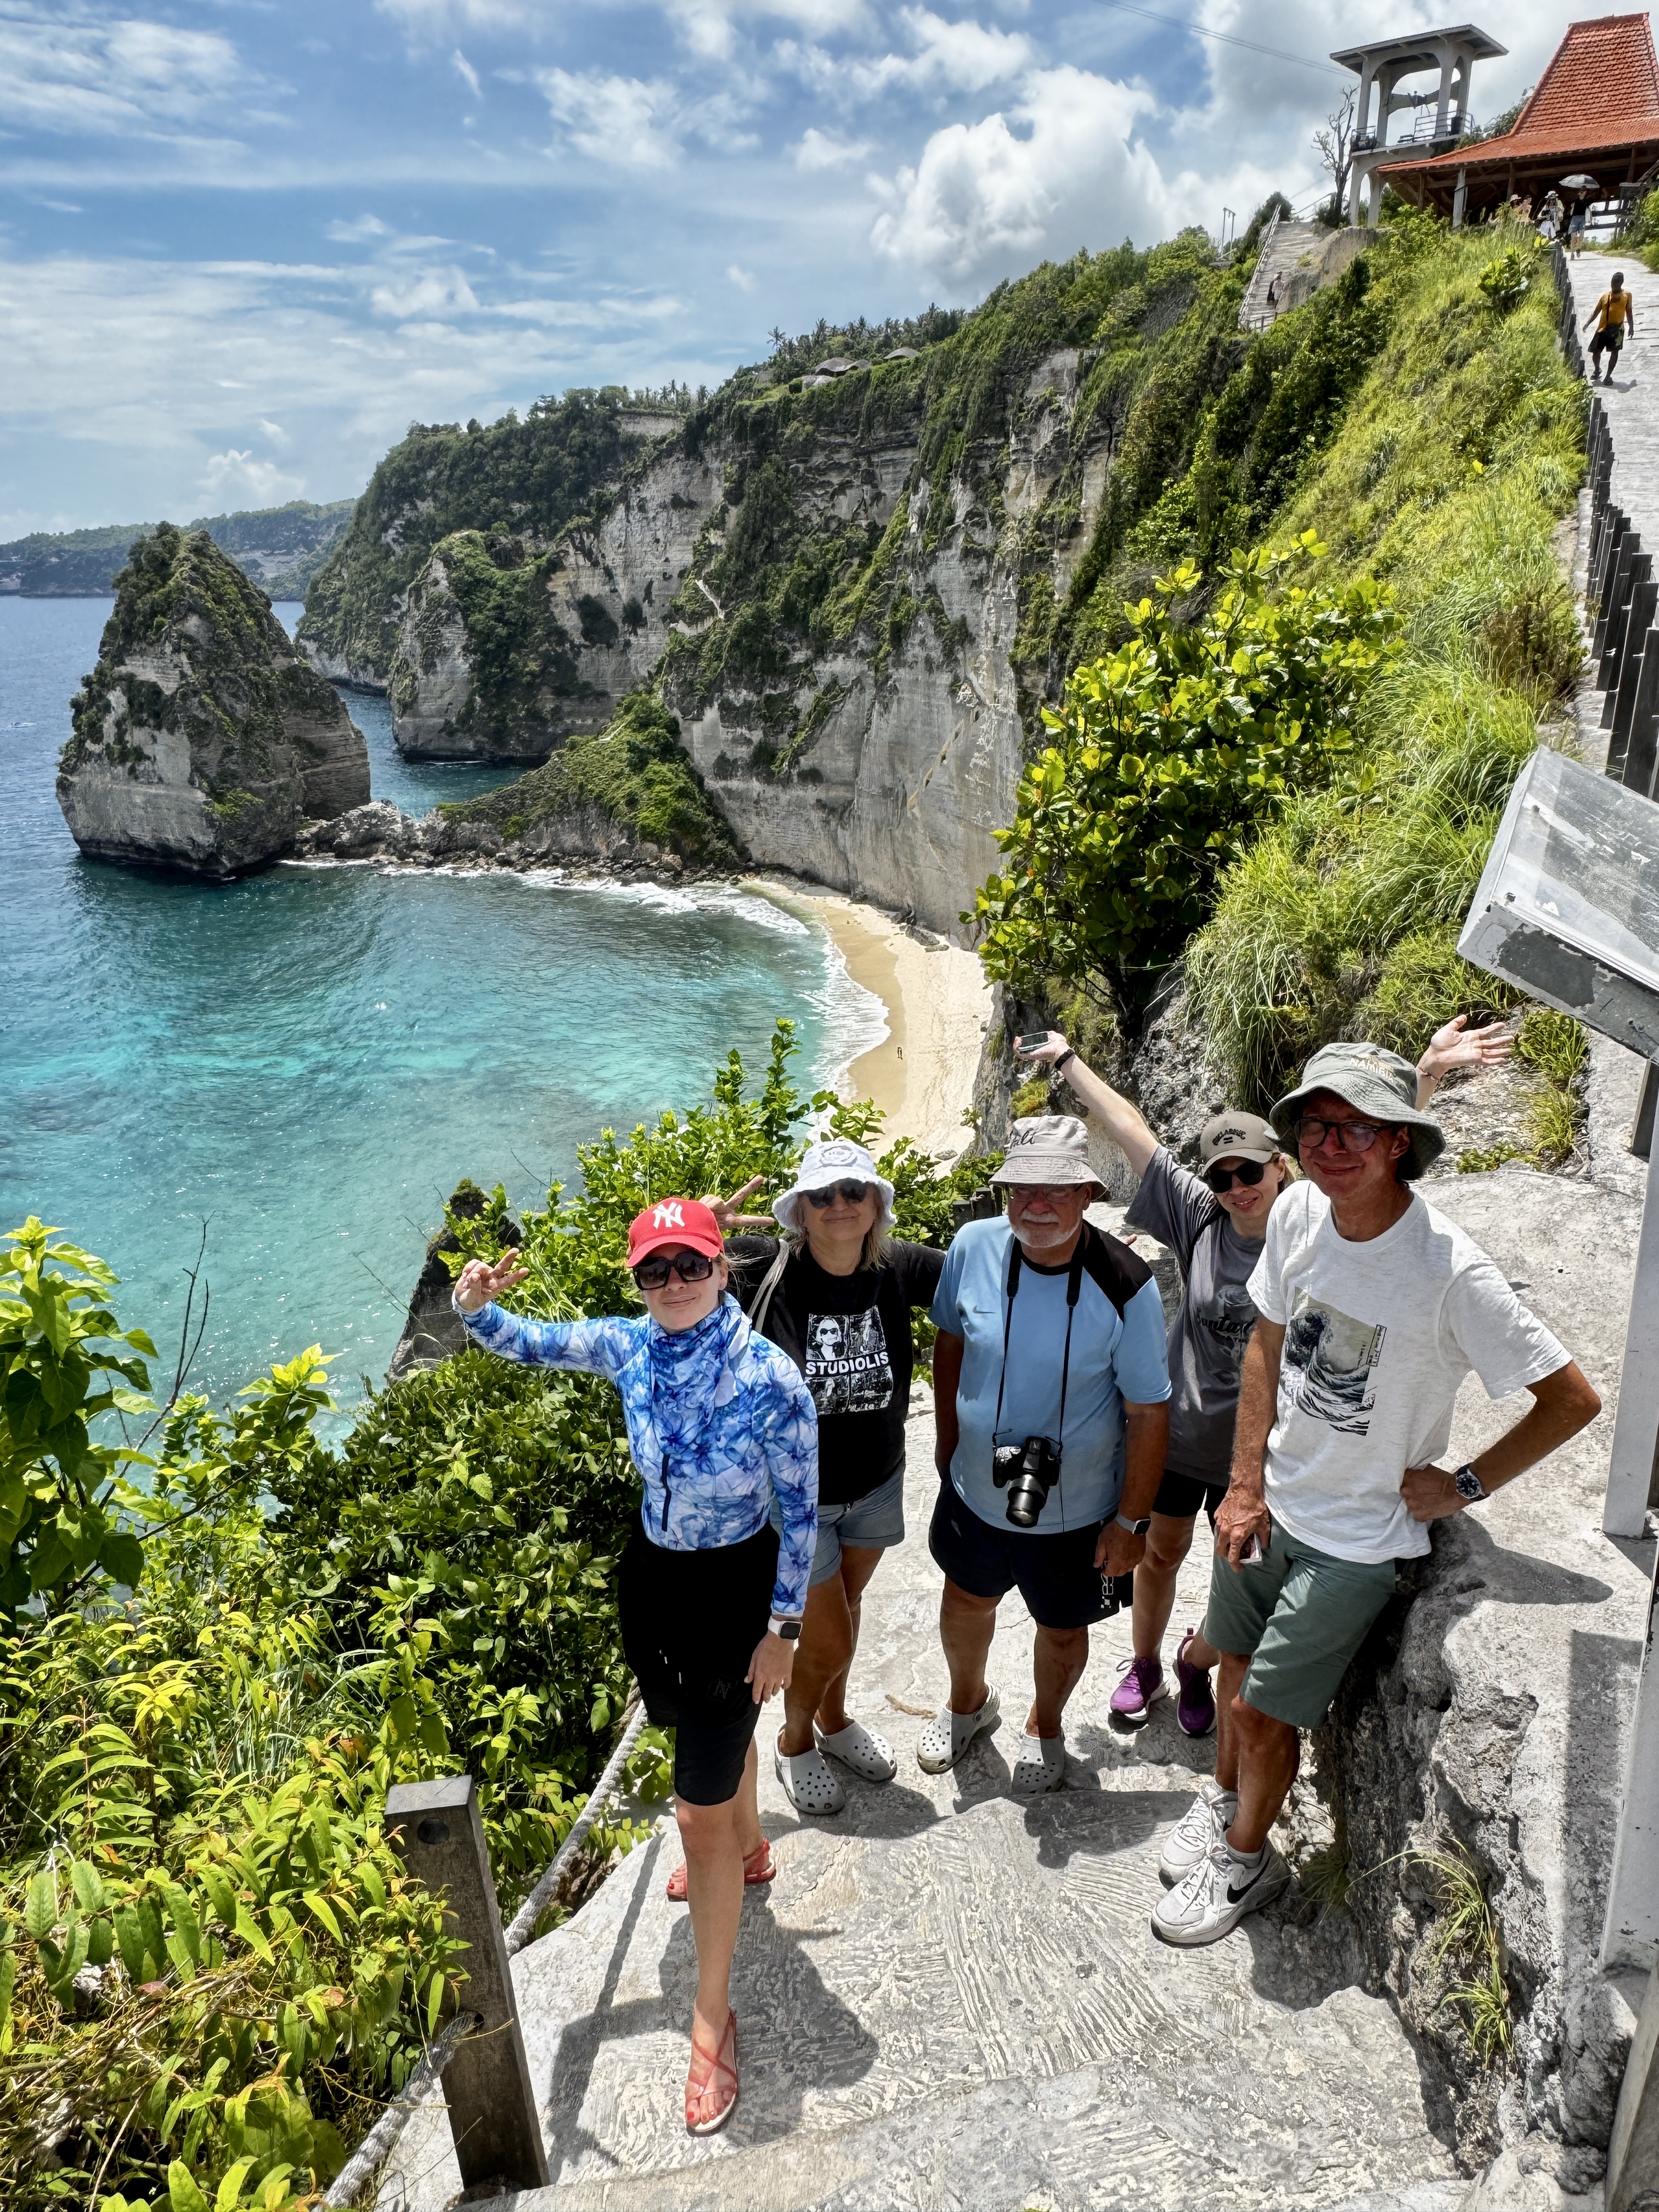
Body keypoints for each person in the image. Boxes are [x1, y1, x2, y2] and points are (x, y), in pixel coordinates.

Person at [1150, 1043, 1600, 1948]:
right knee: (1229, 1662)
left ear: (1399, 1141)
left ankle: (1247, 1858)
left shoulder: (1447, 1269)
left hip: (1355, 1539)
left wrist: (1463, 1482)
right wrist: (1242, 1487)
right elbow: (1266, 1344)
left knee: (1256, 1709)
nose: (1330, 1143)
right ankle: (1222, 1800)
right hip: (1270, 1503)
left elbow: (1570, 1399)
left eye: (1355, 1125)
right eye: (1315, 1124)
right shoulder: (1296, 1217)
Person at [1014, 1015, 1516, 1737]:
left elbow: (1369, 1144)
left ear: (1282, 1164)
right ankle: (1148, 1663)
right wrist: (1067, 1060)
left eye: (1249, 1170)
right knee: (1162, 1552)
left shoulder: (1320, 1220)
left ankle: (1200, 1662)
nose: (1236, 1186)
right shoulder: (1198, 1220)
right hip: (1184, 1437)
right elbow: (1128, 1128)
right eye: (1221, 1177)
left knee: (1241, 1574)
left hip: (1272, 1454)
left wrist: (1424, 1075)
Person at [452, 1198, 817, 2135]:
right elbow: (526, 1341)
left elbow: (803, 1513)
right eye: (653, 1271)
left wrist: (783, 1629)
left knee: (689, 1809)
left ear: (721, 1268)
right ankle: (749, 1846)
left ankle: (710, 2017)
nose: (672, 1285)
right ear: (638, 1281)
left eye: (688, 1265)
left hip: (735, 1589)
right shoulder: (627, 1346)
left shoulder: (770, 1377)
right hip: (652, 1579)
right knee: (701, 1740)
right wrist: (472, 1305)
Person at [924, 1114, 1171, 1791]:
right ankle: (966, 1705)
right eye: (1022, 1188)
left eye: (1056, 1190)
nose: (1036, 1205)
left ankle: (1046, 1723)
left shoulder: (1125, 1283)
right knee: (965, 1601)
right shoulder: (973, 1246)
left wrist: (1130, 1524)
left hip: (1081, 1507)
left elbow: (1149, 1412)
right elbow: (950, 1339)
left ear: (1089, 1195)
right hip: (975, 1490)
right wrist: (949, 1441)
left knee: (1063, 1629)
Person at [702, 1138, 946, 1819]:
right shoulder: (762, 1268)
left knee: (846, 1607)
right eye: (822, 1195)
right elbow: (669, 1273)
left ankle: (835, 1722)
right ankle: (795, 1739)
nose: (839, 1206)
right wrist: (700, 1220)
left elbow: (995, 1275)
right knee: (830, 1631)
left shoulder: (902, 1267)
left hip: (874, 1483)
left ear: (875, 1206)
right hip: (791, 1501)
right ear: (800, 1211)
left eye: (853, 1192)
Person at [1585, 270, 1636, 384]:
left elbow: (1629, 312)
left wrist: (1631, 327)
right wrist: (1588, 323)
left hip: (1617, 329)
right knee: (1596, 351)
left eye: (1617, 283)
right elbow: (1596, 311)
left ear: (1622, 283)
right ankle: (1597, 369)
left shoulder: (1627, 296)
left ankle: (1608, 376)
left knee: (1615, 352)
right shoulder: (1605, 297)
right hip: (1603, 328)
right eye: (1613, 282)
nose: (1614, 285)